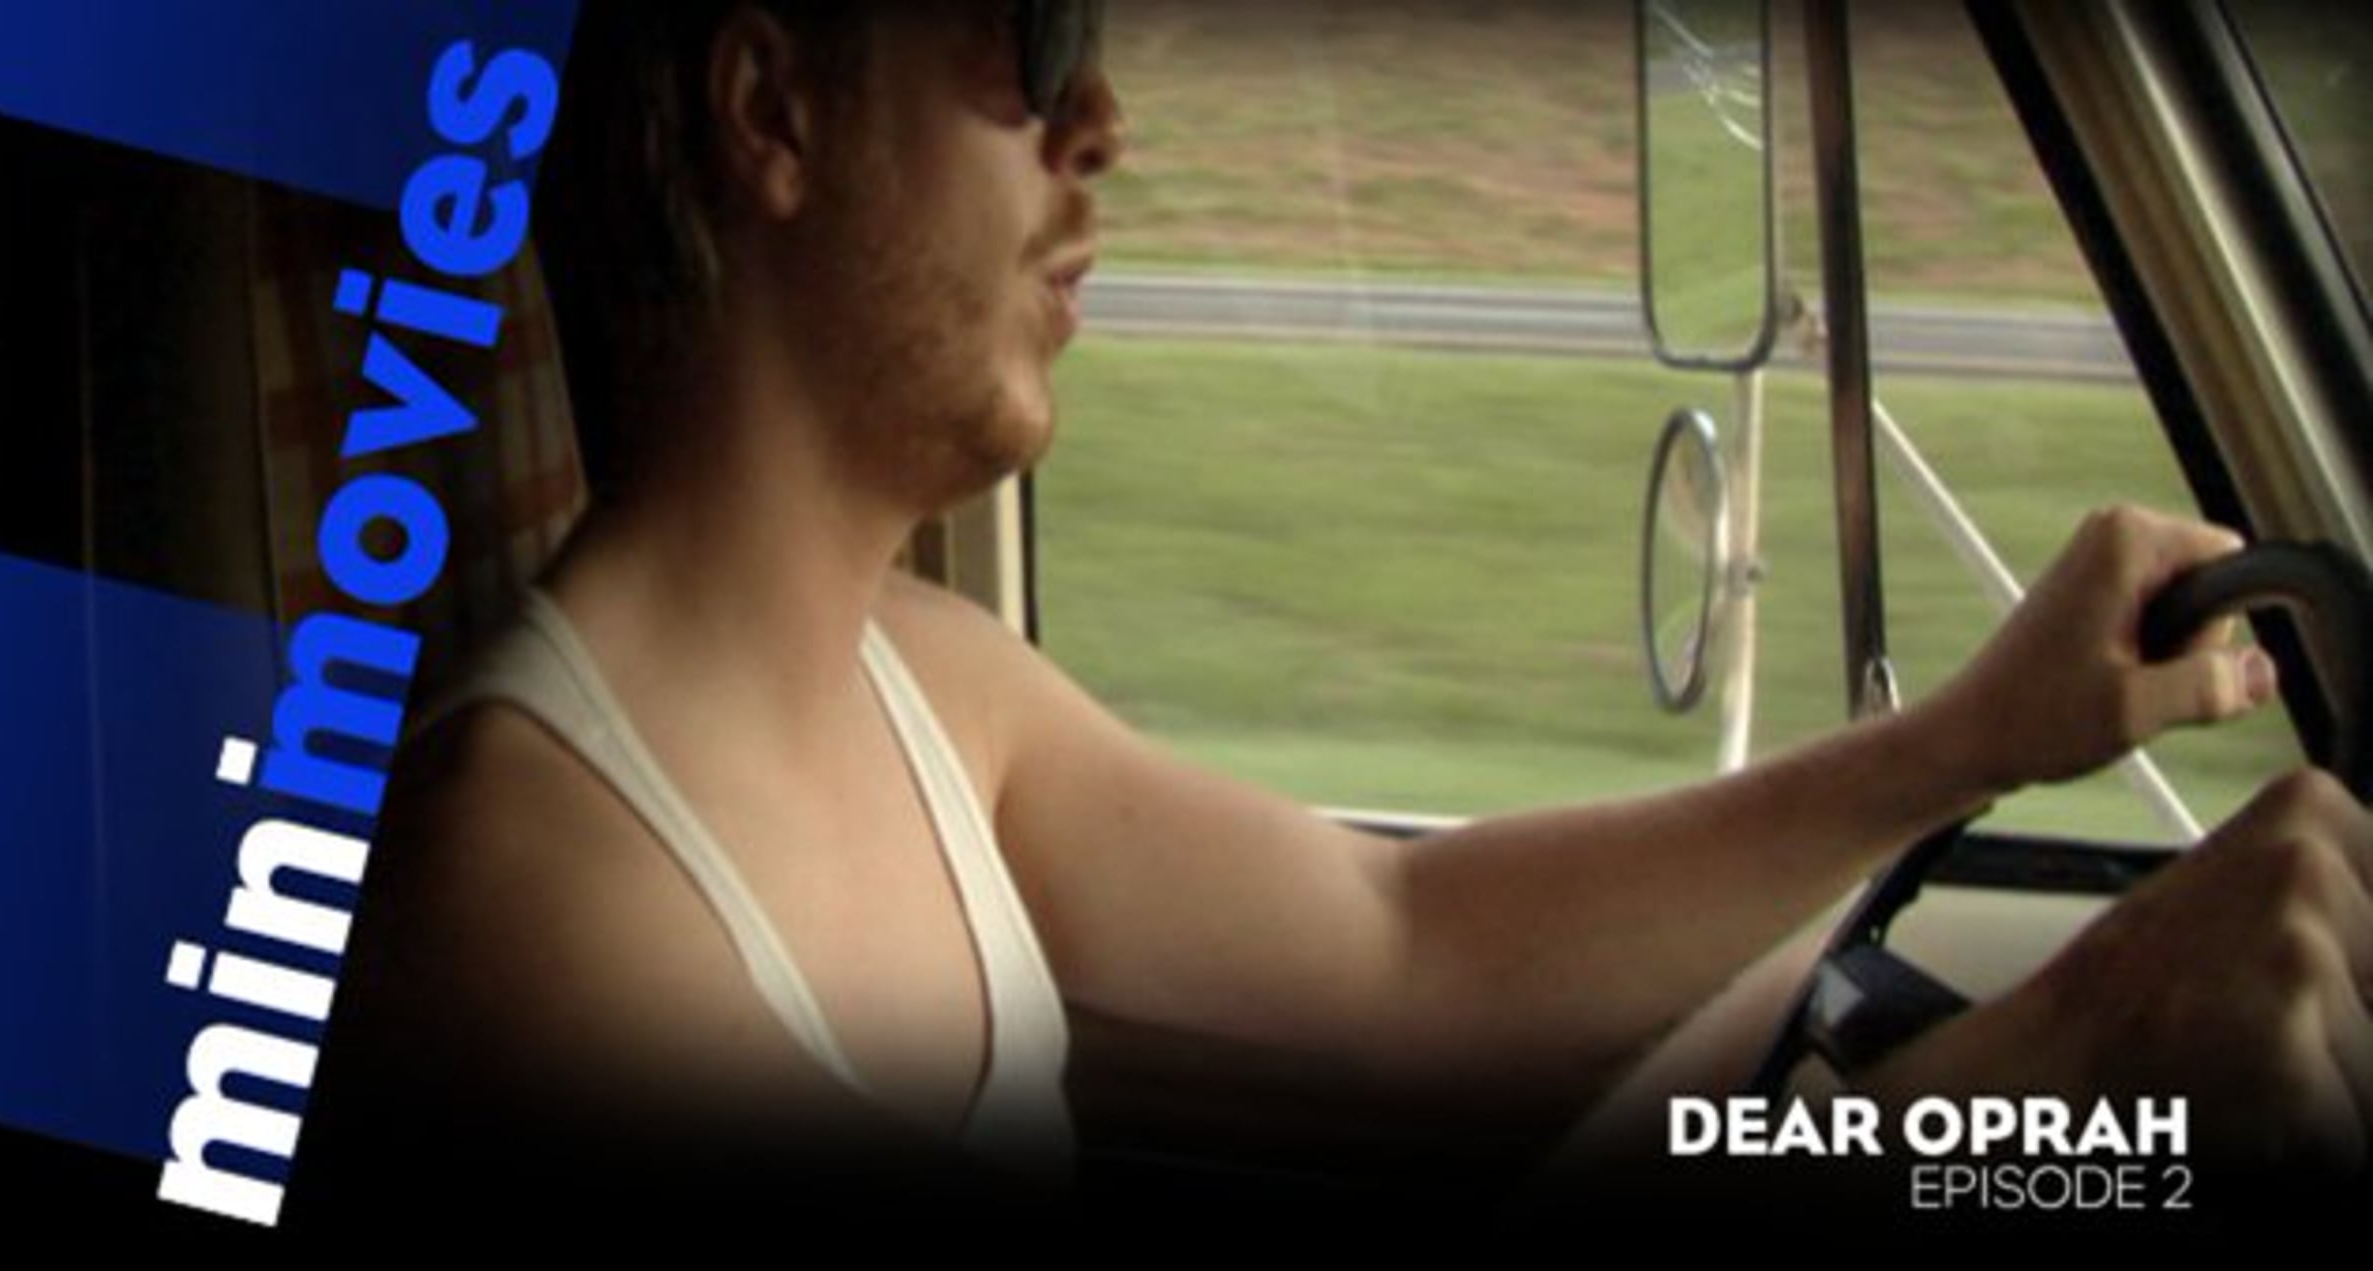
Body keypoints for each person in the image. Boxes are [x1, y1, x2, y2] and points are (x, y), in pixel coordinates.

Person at [309, 0, 2372, 1225]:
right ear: (771, 114)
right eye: (1036, 39)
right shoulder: (540, 927)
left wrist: (1975, 740)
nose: (1106, 124)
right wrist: (2033, 1089)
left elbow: (1409, 942)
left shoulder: (922, 681)